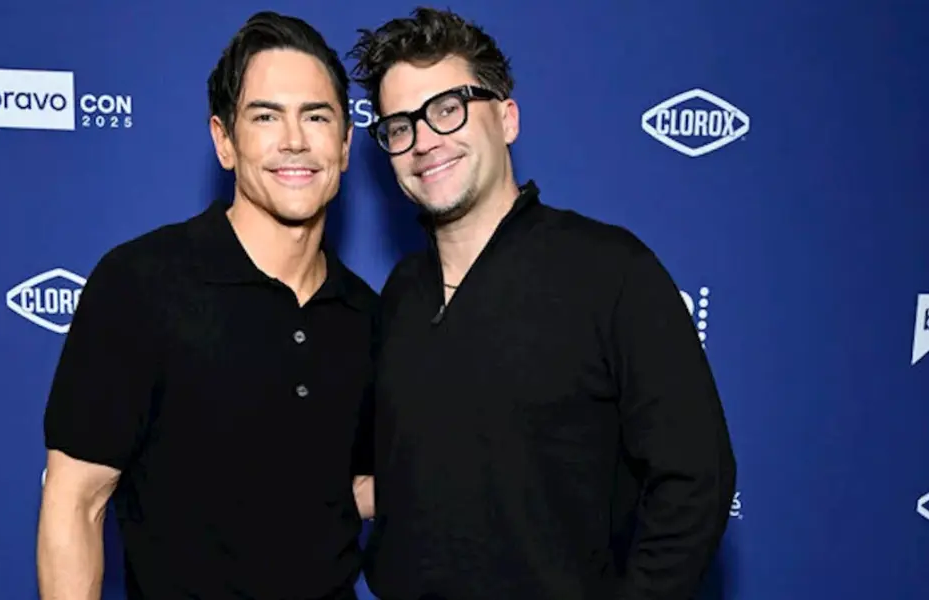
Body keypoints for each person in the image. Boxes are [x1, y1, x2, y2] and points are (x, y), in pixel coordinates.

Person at [347, 7, 737, 600]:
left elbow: (696, 480)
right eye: (400, 126)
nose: (424, 140)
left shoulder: (610, 271)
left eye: (448, 109)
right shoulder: (401, 294)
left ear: (507, 118)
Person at [36, 11, 377, 600]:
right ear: (224, 141)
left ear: (345, 144)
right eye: (265, 116)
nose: (294, 140)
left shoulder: (366, 314)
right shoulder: (140, 284)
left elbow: (355, 488)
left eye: (316, 116)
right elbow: (76, 501)